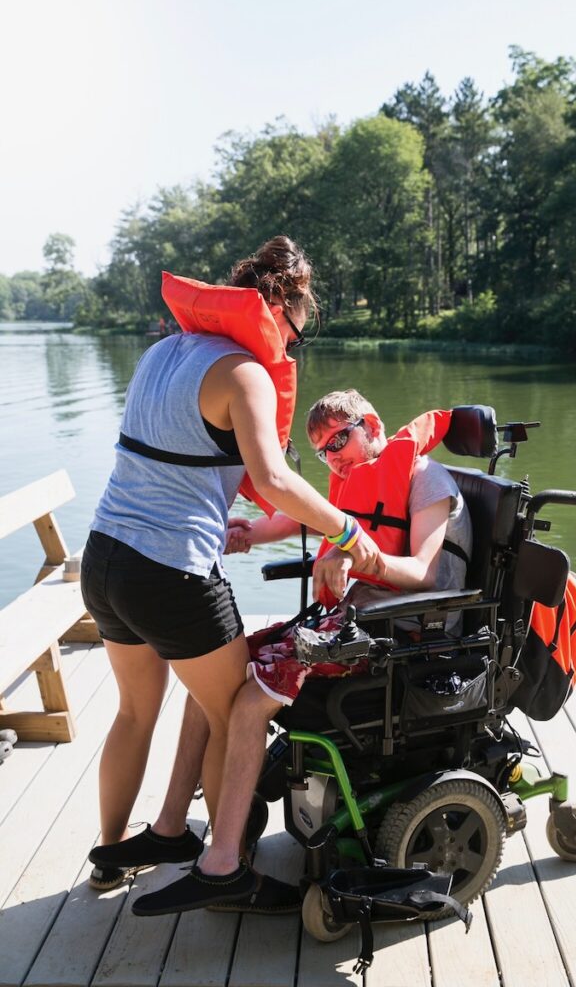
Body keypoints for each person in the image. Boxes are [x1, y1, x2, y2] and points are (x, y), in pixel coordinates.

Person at [88, 389, 472, 915]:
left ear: (373, 423)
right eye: (322, 451)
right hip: (349, 625)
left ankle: (221, 865)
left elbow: (427, 574)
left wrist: (356, 556)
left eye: (340, 439)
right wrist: (250, 533)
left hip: (402, 638)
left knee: (247, 702)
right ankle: (171, 828)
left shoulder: (427, 479)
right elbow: (305, 518)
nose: (334, 455)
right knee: (211, 678)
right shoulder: (357, 474)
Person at [81, 238, 380, 913]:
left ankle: (115, 853)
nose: (292, 348)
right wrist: (346, 529)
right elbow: (273, 479)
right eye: (298, 332)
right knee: (231, 712)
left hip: (103, 556)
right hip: (170, 574)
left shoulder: (162, 352)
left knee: (135, 711)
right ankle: (226, 875)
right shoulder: (243, 371)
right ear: (278, 303)